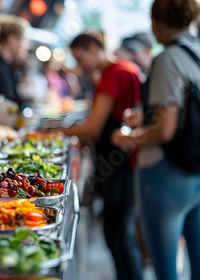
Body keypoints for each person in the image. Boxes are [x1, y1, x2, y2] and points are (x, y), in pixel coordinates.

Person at [112, 0, 200, 279]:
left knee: (166, 269)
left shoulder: (166, 59)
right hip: (196, 169)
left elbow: (165, 130)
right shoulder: (196, 52)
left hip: (165, 173)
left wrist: (129, 136)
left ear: (156, 23)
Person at [61, 33, 143, 280]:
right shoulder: (122, 69)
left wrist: (52, 132)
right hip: (121, 161)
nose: (80, 65)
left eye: (81, 58)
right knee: (119, 231)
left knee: (118, 232)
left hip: (118, 163)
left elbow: (93, 127)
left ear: (94, 48)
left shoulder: (114, 73)